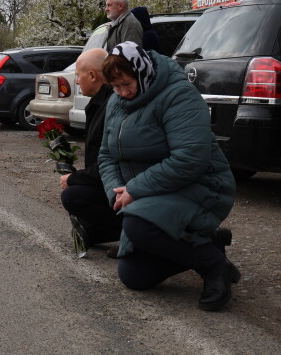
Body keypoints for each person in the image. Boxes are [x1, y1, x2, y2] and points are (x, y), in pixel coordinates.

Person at [98, 41, 237, 311]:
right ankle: (207, 242)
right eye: (115, 87)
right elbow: (106, 155)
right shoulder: (116, 102)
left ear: (142, 72)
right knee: (134, 277)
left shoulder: (178, 95)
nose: (122, 92)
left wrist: (134, 189)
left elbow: (190, 159)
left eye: (126, 84)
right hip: (151, 192)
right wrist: (115, 191)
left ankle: (215, 266)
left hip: (199, 186)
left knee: (138, 225)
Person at [60, 48, 123, 257]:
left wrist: (74, 178)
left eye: (78, 75)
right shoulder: (98, 104)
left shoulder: (111, 106)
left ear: (93, 75)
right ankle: (110, 230)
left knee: (72, 196)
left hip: (120, 186)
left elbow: (110, 164)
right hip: (107, 182)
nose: (77, 81)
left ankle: (128, 231)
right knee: (86, 228)